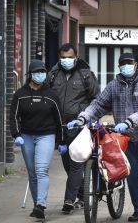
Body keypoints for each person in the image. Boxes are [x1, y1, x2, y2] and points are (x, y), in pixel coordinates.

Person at [67, 52, 138, 223]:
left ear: (136, 64)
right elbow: (98, 105)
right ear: (119, 67)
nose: (126, 66)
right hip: (126, 139)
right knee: (131, 175)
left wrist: (128, 122)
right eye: (123, 63)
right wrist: (83, 117)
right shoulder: (114, 86)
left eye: (129, 63)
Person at [45, 43, 100, 213]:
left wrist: (88, 119)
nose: (66, 60)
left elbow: (97, 99)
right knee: (68, 165)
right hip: (60, 128)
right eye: (63, 57)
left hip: (79, 127)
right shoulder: (53, 75)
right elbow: (46, 96)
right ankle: (83, 195)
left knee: (76, 164)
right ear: (59, 58)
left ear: (76, 57)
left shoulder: (85, 75)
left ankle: (69, 201)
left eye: (70, 57)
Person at [9, 59, 63, 220]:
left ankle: (41, 204)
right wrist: (16, 135)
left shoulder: (51, 95)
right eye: (37, 72)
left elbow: (59, 119)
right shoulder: (20, 95)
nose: (40, 75)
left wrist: (62, 141)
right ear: (30, 74)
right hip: (26, 137)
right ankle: (36, 206)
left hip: (46, 136)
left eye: (42, 72)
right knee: (32, 174)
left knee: (41, 170)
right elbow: (13, 117)